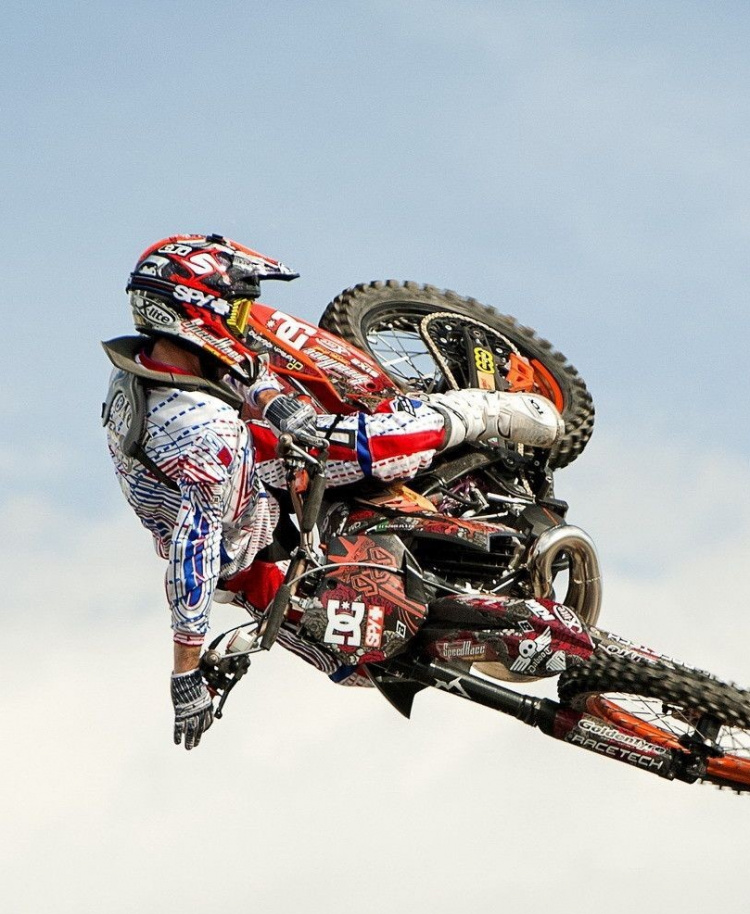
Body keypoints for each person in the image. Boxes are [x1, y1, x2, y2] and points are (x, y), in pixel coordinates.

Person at [103, 234, 564, 749]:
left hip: (249, 492)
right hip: (238, 535)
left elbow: (230, 366)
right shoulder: (197, 430)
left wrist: (275, 403)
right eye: (230, 312)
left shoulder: (171, 358)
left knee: (381, 446)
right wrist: (189, 673)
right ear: (192, 312)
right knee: (353, 659)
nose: (239, 320)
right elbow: (193, 554)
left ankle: (483, 412)